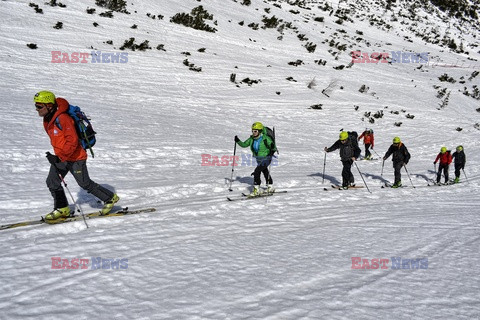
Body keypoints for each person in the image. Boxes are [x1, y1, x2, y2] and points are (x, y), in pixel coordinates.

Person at [34, 91, 119, 222]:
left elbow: (72, 141)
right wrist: (57, 156)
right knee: (52, 181)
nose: (37, 109)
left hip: (76, 157)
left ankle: (110, 198)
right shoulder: (48, 118)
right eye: (36, 106)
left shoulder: (63, 118)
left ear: (49, 105)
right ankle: (62, 208)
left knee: (85, 183)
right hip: (62, 157)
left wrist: (59, 156)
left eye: (39, 106)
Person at [235, 122, 276, 196]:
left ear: (260, 131)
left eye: (255, 131)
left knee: (257, 171)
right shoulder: (252, 139)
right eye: (252, 131)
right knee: (265, 171)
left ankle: (256, 189)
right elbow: (244, 145)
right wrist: (238, 141)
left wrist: (272, 149)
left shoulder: (265, 139)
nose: (253, 132)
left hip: (267, 158)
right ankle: (270, 186)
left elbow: (274, 147)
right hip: (259, 159)